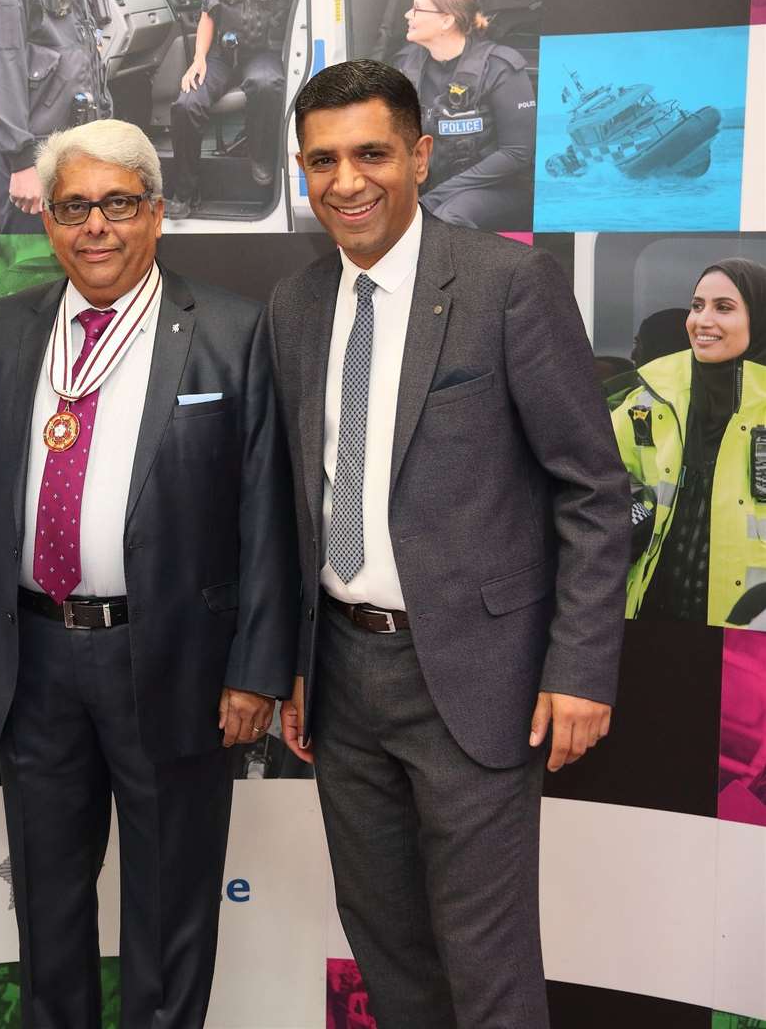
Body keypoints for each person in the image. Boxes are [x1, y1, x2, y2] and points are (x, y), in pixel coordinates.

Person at [268, 59, 627, 1028]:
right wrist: (290, 663)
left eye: (372, 153)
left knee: (486, 965)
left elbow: (593, 493)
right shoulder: (295, 307)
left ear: (421, 157)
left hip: (474, 682)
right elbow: (293, 503)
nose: (347, 181)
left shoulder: (510, 283)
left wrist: (582, 669)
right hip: (340, 680)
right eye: (322, 160)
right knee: (388, 952)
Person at [0, 118, 296, 1028]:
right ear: (48, 223)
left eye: (117, 205)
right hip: (33, 657)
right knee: (47, 901)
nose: (95, 227)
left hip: (169, 659)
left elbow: (265, 513)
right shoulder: (3, 328)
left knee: (169, 906)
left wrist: (256, 668)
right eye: (73, 208)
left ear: (156, 214)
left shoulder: (228, 331)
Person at [614, 259, 766, 629]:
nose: (703, 320)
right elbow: (593, 479)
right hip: (648, 624)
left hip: (749, 639)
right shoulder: (649, 396)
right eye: (697, 306)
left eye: (724, 307)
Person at [0, 0, 112, 234]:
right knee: (32, 267)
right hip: (35, 158)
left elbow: (85, 61)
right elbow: (1, 71)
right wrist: (22, 163)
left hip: (75, 147)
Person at [390, 0, 535, 231]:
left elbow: (517, 154)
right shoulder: (404, 67)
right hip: (433, 188)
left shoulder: (500, 67)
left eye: (417, 8)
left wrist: (435, 198)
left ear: (447, 19)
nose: (407, 14)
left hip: (495, 188)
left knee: (447, 218)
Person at [166, 0, 297, 218]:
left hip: (265, 50)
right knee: (187, 103)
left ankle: (260, 156)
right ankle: (185, 191)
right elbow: (207, 13)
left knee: (266, 83)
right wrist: (199, 58)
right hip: (222, 53)